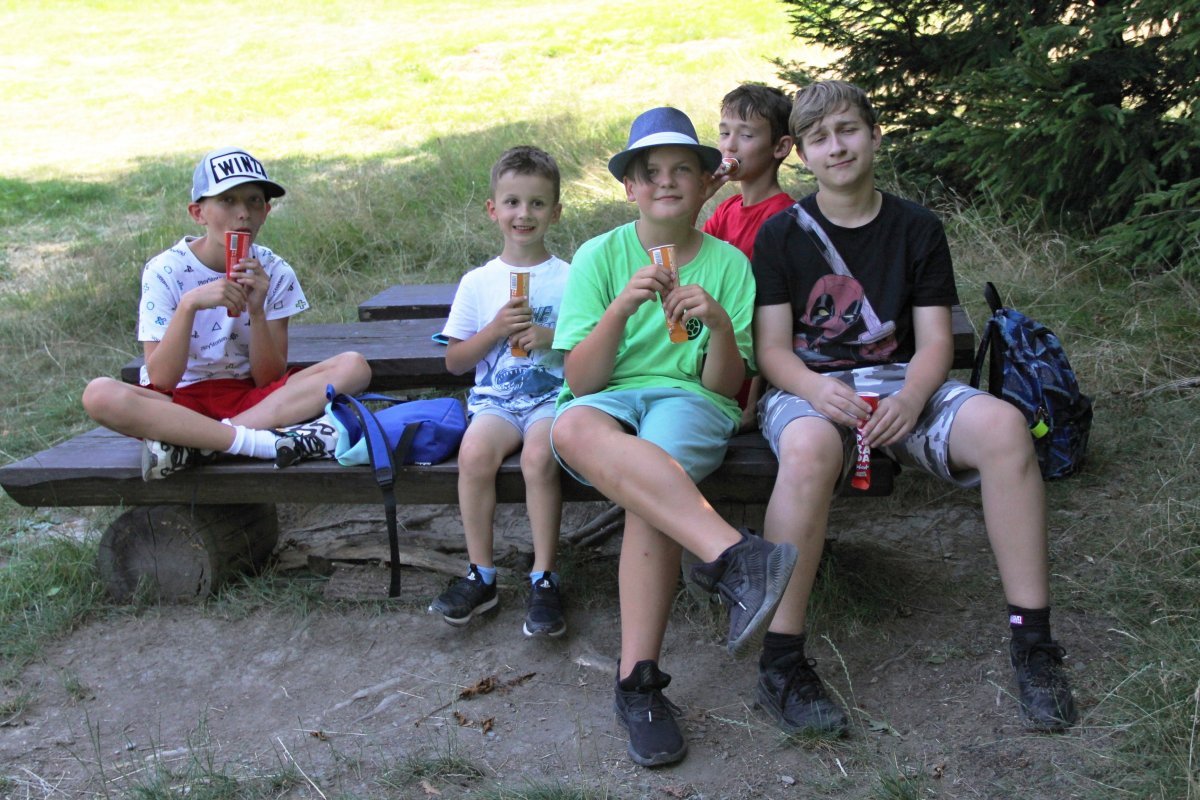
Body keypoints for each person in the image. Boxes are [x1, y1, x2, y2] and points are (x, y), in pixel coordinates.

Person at [750, 80, 1079, 736]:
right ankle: (780, 662)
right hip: (811, 390)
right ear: (802, 155)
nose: (837, 146)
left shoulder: (917, 227)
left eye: (848, 129)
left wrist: (910, 397)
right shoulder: (781, 234)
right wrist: (815, 391)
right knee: (809, 448)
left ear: (875, 135)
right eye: (819, 138)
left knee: (1004, 428)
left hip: (903, 386)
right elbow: (772, 352)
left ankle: (1034, 643)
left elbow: (933, 343)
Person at [549, 107, 799, 767]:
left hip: (690, 398)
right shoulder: (599, 256)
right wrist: (620, 308)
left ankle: (639, 685)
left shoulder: (729, 265)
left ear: (705, 182)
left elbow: (726, 389)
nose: (666, 181)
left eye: (682, 169)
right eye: (651, 171)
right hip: (607, 398)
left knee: (652, 483)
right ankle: (736, 555)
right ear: (630, 187)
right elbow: (580, 381)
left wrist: (718, 325)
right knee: (569, 425)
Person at [81, 147, 371, 480]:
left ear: (266, 212)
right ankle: (261, 443)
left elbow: (268, 379)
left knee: (354, 366)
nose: (243, 213)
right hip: (178, 405)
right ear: (198, 213)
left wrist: (257, 311)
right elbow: (161, 380)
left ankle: (198, 446)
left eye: (254, 201)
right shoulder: (164, 270)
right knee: (99, 394)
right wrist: (189, 305)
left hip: (253, 402)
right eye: (227, 201)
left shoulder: (275, 271)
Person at [428, 146, 571, 638]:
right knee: (473, 454)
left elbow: (590, 346)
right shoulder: (478, 282)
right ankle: (481, 574)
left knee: (539, 457)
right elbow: (455, 362)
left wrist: (553, 338)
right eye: (512, 202)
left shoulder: (569, 277)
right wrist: (492, 330)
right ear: (493, 209)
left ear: (556, 211)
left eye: (537, 203)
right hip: (495, 400)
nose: (523, 214)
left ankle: (544, 575)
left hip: (552, 397)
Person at [701, 83, 796, 429]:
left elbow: (770, 317)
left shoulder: (784, 218)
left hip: (752, 365)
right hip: (715, 351)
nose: (729, 145)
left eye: (746, 135)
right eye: (724, 133)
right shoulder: (726, 209)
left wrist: (752, 406)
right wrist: (701, 195)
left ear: (780, 147)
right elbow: (690, 257)